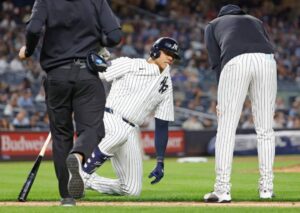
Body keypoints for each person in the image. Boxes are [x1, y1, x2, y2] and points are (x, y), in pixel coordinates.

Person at [18, 0, 122, 206]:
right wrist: (98, 41)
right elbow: (115, 36)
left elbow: (33, 29)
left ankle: (67, 197)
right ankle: (79, 154)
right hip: (87, 75)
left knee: (61, 135)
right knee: (93, 129)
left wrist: (28, 51)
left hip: (56, 76)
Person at [81, 37, 180, 196]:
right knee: (119, 132)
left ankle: (86, 181)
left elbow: (162, 124)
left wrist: (160, 161)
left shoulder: (166, 85)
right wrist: (94, 57)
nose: (171, 58)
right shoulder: (130, 64)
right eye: (167, 52)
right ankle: (81, 174)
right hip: (110, 118)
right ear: (155, 51)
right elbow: (100, 72)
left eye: (174, 56)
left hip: (132, 129)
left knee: (132, 190)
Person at [204, 4, 277, 203]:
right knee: (265, 130)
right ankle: (267, 189)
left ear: (221, 15)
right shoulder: (256, 21)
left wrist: (221, 98)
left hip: (235, 61)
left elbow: (216, 62)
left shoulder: (213, 24)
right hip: (267, 60)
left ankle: (222, 190)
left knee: (226, 129)